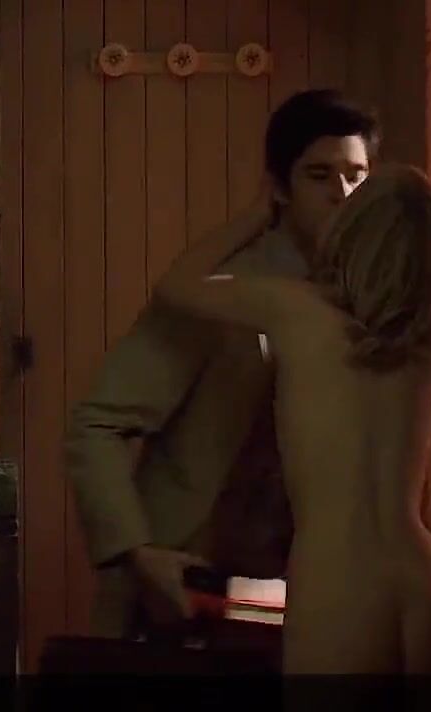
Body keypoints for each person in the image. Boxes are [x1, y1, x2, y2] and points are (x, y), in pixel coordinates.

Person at [64, 89, 379, 639]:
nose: (342, 193)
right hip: (184, 587)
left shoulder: (370, 295)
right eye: (319, 175)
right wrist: (138, 552)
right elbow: (97, 425)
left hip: (304, 592)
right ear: (280, 187)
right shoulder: (220, 294)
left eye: (357, 176)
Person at [152, 164, 431, 674]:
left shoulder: (295, 310)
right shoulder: (427, 339)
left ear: (352, 235)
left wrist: (258, 214)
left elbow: (177, 285)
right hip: (423, 572)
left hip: (338, 576)